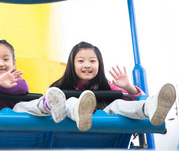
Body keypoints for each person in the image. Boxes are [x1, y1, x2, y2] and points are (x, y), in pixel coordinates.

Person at [49, 41, 177, 131]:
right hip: (71, 128)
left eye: (92, 61)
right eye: (81, 61)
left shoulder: (107, 87)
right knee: (71, 101)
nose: (87, 65)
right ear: (72, 64)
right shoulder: (58, 88)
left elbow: (136, 98)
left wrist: (128, 87)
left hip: (104, 127)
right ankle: (79, 111)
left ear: (100, 65)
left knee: (117, 105)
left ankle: (149, 108)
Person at [0, 39, 67, 123]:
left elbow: (22, 87)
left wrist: (6, 83)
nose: (0, 63)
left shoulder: (15, 78)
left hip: (14, 119)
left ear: (13, 63)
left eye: (6, 59)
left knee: (20, 107)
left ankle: (48, 104)